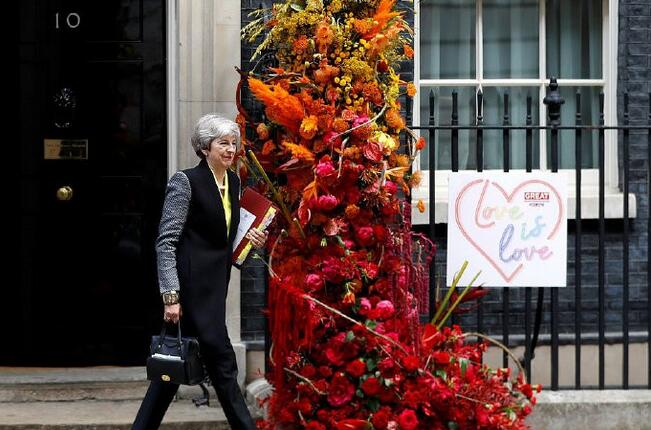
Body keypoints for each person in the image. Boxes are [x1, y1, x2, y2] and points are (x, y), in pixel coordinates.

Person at [133, 114, 267, 430]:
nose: (230, 149)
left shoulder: (234, 183)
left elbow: (228, 249)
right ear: (205, 147)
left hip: (214, 292)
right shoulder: (185, 181)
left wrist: (252, 242)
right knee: (223, 367)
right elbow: (165, 242)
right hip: (189, 294)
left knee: (169, 374)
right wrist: (171, 296)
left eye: (233, 143)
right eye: (223, 143)